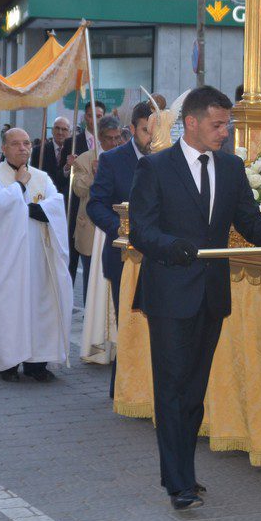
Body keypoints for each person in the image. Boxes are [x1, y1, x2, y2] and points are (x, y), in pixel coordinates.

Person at [128, 86, 261, 510]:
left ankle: (185, 472)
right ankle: (177, 483)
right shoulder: (155, 168)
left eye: (226, 124)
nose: (225, 132)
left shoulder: (230, 167)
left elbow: (248, 219)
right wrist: (170, 246)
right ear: (191, 123)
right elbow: (142, 230)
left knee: (194, 390)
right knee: (172, 388)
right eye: (218, 124)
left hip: (211, 294)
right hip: (171, 294)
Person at [0, 128, 74, 383]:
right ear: (4, 149)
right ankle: (7, 362)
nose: (23, 148)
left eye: (27, 143)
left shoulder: (42, 177)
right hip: (9, 261)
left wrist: (29, 207)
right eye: (16, 144)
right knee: (10, 307)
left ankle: (36, 363)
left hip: (40, 258)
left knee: (41, 307)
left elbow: (54, 206)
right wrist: (19, 186)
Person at [86, 101, 153, 375]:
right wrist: (121, 229)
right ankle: (125, 387)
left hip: (161, 258)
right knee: (128, 326)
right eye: (147, 130)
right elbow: (96, 205)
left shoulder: (172, 157)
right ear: (132, 129)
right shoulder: (113, 160)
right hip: (124, 257)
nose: (152, 137)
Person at [71, 116, 124, 285]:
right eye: (110, 138)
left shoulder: (124, 156)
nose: (115, 143)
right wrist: (94, 176)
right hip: (91, 228)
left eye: (118, 137)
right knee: (91, 278)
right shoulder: (85, 159)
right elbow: (78, 190)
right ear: (100, 138)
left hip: (116, 225)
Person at [62, 101, 105, 282]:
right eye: (90, 115)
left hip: (101, 213)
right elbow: (61, 174)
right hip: (77, 210)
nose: (94, 120)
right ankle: (66, 303)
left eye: (98, 116)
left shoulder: (109, 142)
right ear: (84, 117)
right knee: (71, 260)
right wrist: (67, 166)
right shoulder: (72, 142)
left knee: (95, 270)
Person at [37, 117, 72, 197]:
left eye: (64, 129)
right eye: (57, 128)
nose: (60, 132)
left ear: (70, 132)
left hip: (67, 200)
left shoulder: (74, 152)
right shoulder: (39, 151)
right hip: (44, 196)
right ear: (52, 130)